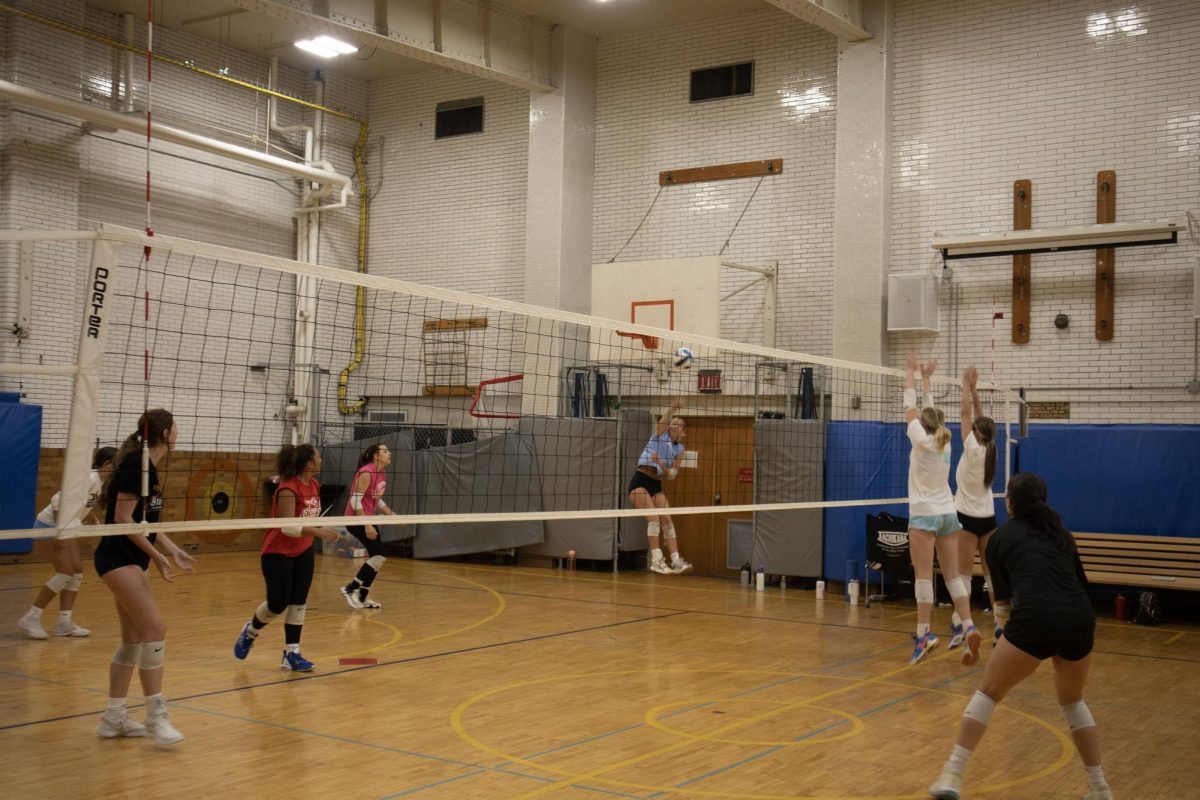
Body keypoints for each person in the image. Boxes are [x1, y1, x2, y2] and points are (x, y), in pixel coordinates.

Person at [929, 472, 1112, 800]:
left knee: (988, 692)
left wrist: (1003, 636)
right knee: (1073, 701)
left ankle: (952, 776)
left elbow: (1002, 603)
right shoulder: (1062, 535)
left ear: (1009, 502)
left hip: (1037, 618)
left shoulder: (1000, 539)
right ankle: (1099, 787)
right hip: (1080, 619)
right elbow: (1080, 587)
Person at [94, 409, 194, 746]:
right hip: (118, 559)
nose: (179, 432)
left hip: (130, 559)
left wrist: (172, 549)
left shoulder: (147, 465)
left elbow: (145, 522)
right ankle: (156, 716)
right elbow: (123, 518)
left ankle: (113, 718)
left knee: (134, 639)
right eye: (176, 427)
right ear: (166, 433)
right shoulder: (139, 463)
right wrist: (157, 556)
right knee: (155, 630)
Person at [234, 444, 338, 671]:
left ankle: (292, 653)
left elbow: (309, 519)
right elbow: (288, 527)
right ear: (309, 463)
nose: (321, 459)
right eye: (318, 457)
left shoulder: (313, 484)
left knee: (299, 601)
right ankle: (250, 632)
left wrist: (320, 526)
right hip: (277, 552)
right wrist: (319, 532)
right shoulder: (287, 488)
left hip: (303, 550)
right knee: (278, 603)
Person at [903, 353, 975, 665]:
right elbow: (929, 413)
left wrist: (910, 372)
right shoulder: (946, 441)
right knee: (953, 575)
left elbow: (911, 407)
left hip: (924, 514)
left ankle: (924, 635)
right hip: (948, 514)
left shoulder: (919, 436)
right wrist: (927, 378)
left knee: (922, 576)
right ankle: (968, 625)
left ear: (923, 424)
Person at [17, 446, 117, 639]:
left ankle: (64, 622)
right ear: (106, 464)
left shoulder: (99, 481)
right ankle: (32, 616)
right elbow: (57, 500)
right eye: (117, 464)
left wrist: (91, 517)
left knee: (77, 572)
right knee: (65, 573)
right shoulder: (89, 477)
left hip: (67, 525)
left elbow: (80, 504)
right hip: (50, 525)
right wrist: (59, 532)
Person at [949, 366, 1003, 654]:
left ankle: (961, 623)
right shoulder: (991, 450)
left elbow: (965, 415)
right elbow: (980, 420)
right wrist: (975, 390)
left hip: (967, 519)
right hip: (989, 519)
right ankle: (999, 625)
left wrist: (964, 385)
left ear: (975, 433)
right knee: (992, 574)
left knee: (963, 575)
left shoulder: (971, 447)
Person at [628, 398, 691, 575]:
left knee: (667, 520)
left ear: (682, 431)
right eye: (673, 423)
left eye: (679, 424)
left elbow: (672, 475)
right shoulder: (659, 435)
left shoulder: (679, 449)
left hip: (656, 483)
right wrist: (674, 407)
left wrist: (661, 464)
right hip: (640, 481)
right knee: (654, 519)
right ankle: (656, 560)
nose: (675, 425)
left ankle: (676, 560)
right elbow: (664, 419)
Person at [340, 443, 395, 609]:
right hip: (356, 520)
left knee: (377, 558)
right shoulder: (366, 472)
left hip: (368, 519)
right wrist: (367, 525)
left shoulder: (381, 472)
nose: (389, 453)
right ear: (376, 456)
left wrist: (390, 514)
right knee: (379, 555)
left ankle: (362, 597)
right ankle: (350, 589)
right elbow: (355, 501)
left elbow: (375, 499)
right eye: (385, 451)